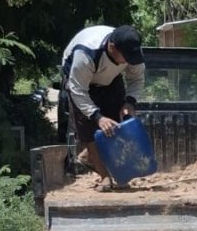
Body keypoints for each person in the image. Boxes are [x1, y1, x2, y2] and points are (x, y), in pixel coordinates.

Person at [61, 24, 146, 188]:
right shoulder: (85, 54)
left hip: (110, 79)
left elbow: (137, 79)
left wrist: (129, 102)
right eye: (126, 57)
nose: (129, 60)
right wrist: (97, 117)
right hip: (78, 82)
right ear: (112, 47)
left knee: (115, 125)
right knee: (88, 129)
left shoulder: (131, 50)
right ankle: (105, 176)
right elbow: (77, 90)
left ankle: (92, 159)